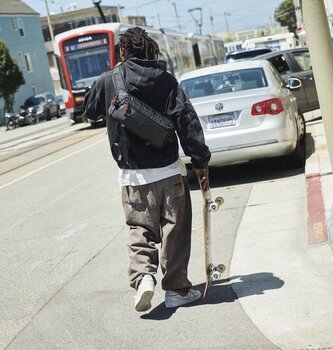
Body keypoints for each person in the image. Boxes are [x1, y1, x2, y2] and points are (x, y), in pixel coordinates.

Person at [83, 27, 211, 312]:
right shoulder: (167, 80)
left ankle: (143, 278)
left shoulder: (110, 79)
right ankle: (176, 289)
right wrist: (200, 162)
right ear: (151, 50)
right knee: (174, 230)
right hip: (169, 172)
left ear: (123, 52)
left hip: (132, 176)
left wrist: (109, 80)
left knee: (140, 228)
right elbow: (187, 122)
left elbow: (89, 111)